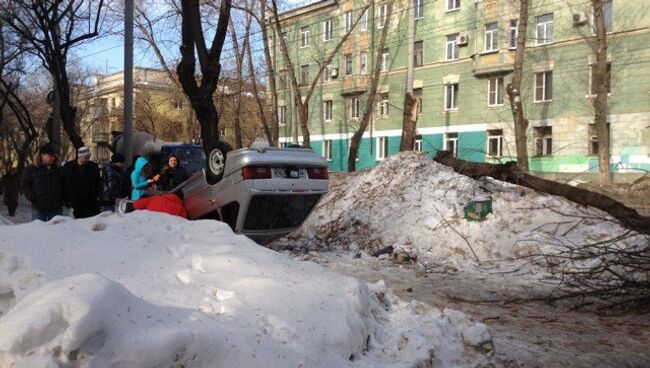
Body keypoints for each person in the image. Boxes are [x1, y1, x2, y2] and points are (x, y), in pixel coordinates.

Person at [20, 143, 65, 221]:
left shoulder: (59, 169)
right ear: (42, 155)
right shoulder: (31, 169)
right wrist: (33, 198)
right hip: (38, 208)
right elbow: (25, 185)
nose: (53, 158)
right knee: (39, 232)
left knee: (56, 232)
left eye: (53, 156)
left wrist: (63, 200)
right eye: (50, 156)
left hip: (56, 208)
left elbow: (66, 185)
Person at [63, 146, 101, 219]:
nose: (88, 159)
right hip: (75, 203)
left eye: (88, 157)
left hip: (90, 203)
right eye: (86, 157)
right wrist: (67, 201)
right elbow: (65, 183)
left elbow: (97, 183)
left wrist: (96, 195)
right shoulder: (68, 167)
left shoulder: (93, 167)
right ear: (79, 156)